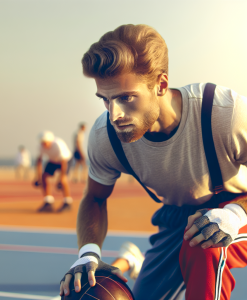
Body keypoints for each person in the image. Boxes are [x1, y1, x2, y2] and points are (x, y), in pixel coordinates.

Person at [59, 24, 247, 300]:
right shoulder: (105, 137)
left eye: (126, 98)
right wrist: (88, 252)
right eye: (106, 100)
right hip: (178, 218)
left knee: (207, 245)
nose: (115, 115)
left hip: (239, 206)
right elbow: (94, 199)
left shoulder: (224, 113)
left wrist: (234, 214)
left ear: (160, 85)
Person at [34, 131, 73, 213]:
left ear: (51, 141)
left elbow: (63, 162)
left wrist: (61, 177)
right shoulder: (40, 146)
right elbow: (39, 161)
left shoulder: (58, 144)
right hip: (52, 161)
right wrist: (38, 177)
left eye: (45, 142)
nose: (43, 145)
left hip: (65, 160)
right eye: (42, 143)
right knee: (44, 177)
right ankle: (48, 202)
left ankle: (67, 202)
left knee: (63, 180)